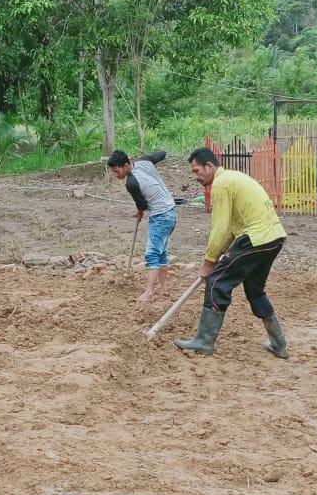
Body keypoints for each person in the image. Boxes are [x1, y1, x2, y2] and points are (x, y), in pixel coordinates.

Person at [175, 147, 288, 358]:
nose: (196, 177)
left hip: (255, 238)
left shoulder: (221, 184)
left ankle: (203, 341)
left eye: (197, 171)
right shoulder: (232, 178)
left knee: (217, 281)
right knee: (255, 290)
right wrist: (215, 256)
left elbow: (221, 228)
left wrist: (209, 262)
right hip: (274, 237)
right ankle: (278, 343)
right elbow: (229, 230)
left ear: (209, 166)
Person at [108, 149, 178, 302]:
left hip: (160, 216)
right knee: (162, 252)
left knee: (152, 253)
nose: (116, 175)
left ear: (126, 166)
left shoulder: (131, 183)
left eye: (116, 171)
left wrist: (140, 212)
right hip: (171, 213)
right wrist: (140, 211)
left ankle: (149, 292)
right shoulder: (144, 161)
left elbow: (142, 204)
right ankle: (161, 288)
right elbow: (161, 154)